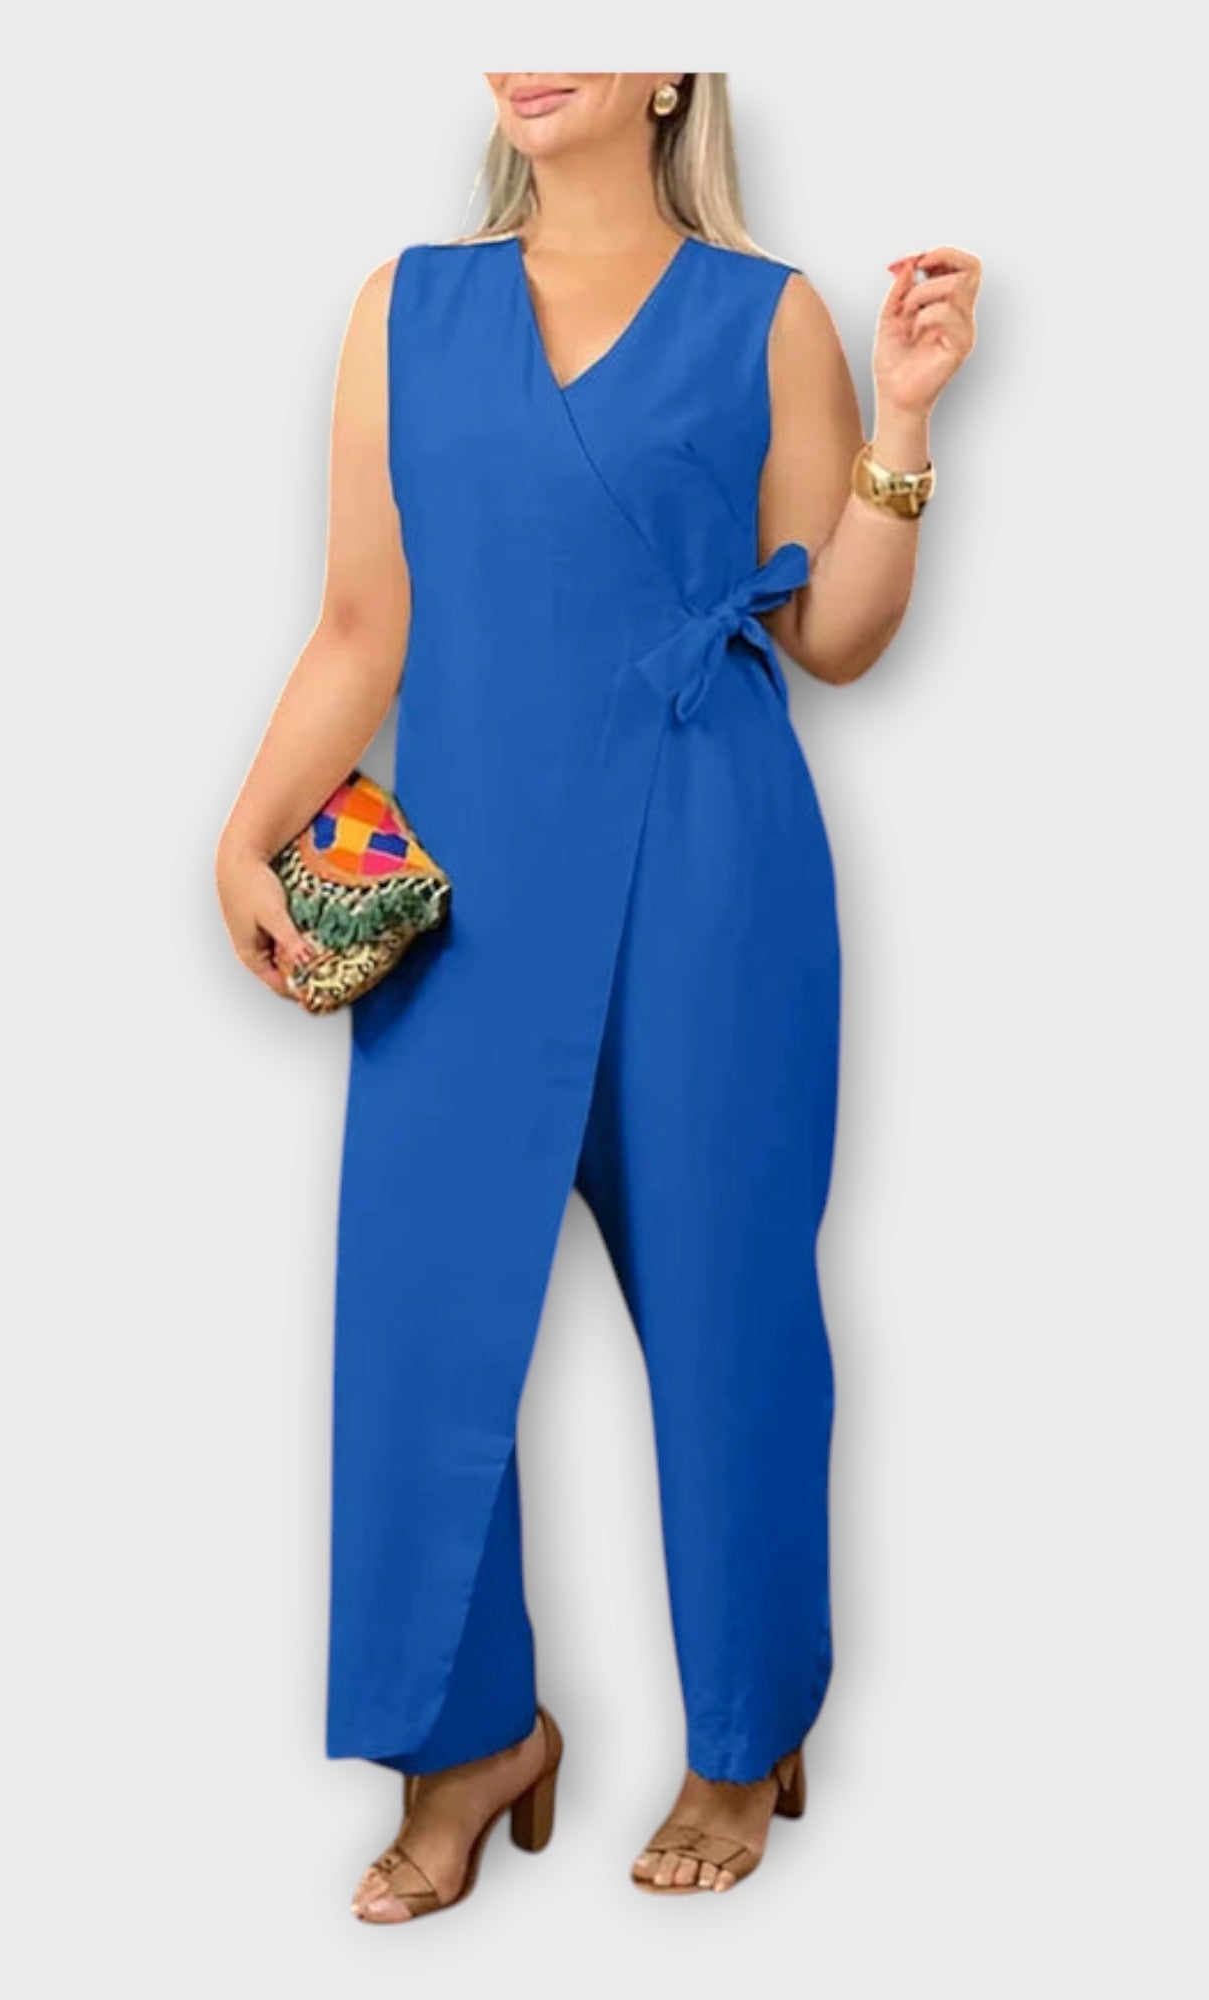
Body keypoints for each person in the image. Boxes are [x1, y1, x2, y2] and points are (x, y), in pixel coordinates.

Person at [215, 72, 979, 1921]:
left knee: (730, 1318)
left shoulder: (763, 315)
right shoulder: (407, 309)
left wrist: (903, 420)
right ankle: (470, 1740)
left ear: (670, 70)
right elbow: (364, 624)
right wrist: (245, 831)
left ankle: (743, 1734)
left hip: (712, 875)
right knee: (420, 1323)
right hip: (467, 891)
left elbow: (836, 635)